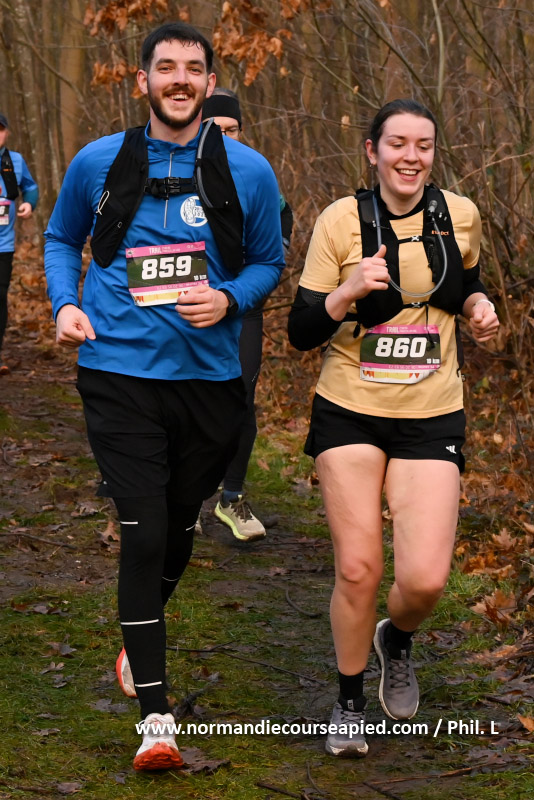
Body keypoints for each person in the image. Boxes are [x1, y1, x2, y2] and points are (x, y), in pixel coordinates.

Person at [44, 22, 284, 771]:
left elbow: (269, 263)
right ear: (142, 79)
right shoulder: (98, 162)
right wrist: (64, 303)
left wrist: (230, 298)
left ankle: (137, 632)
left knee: (179, 525)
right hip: (117, 373)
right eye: (166, 67)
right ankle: (156, 719)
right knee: (144, 532)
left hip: (209, 383)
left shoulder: (249, 172)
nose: (180, 79)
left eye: (194, 68)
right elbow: (61, 238)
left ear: (209, 82)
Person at [288, 99, 499, 758]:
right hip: (349, 408)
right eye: (398, 144)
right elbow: (301, 330)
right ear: (373, 151)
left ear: (434, 153)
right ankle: (349, 702)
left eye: (423, 145)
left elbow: (465, 285)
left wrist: (480, 306)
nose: (411, 157)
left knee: (426, 580)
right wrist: (347, 291)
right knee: (358, 568)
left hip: (431, 412)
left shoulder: (458, 215)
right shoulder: (340, 220)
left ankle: (396, 638)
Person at [201, 88, 293, 541]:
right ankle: (178, 501)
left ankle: (231, 498)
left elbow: (279, 233)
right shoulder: (176, 172)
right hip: (187, 306)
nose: (224, 138)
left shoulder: (258, 176)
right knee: (180, 398)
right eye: (214, 130)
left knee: (240, 397)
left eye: (232, 129)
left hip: (243, 308)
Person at [0, 113, 39, 374]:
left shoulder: (14, 161)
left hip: (3, 245)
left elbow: (31, 187)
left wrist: (29, 204)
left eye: (0, 129)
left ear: (7, 133)